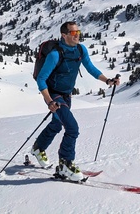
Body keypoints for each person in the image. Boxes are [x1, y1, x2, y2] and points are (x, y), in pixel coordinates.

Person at [31, 21, 120, 181]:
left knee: (57, 124)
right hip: (54, 95)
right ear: (64, 35)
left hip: (66, 95)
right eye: (73, 33)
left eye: (78, 31)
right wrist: (50, 101)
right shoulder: (55, 54)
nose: (77, 35)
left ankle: (38, 148)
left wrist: (107, 81)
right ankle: (65, 165)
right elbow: (41, 79)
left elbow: (90, 68)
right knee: (72, 128)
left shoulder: (80, 49)